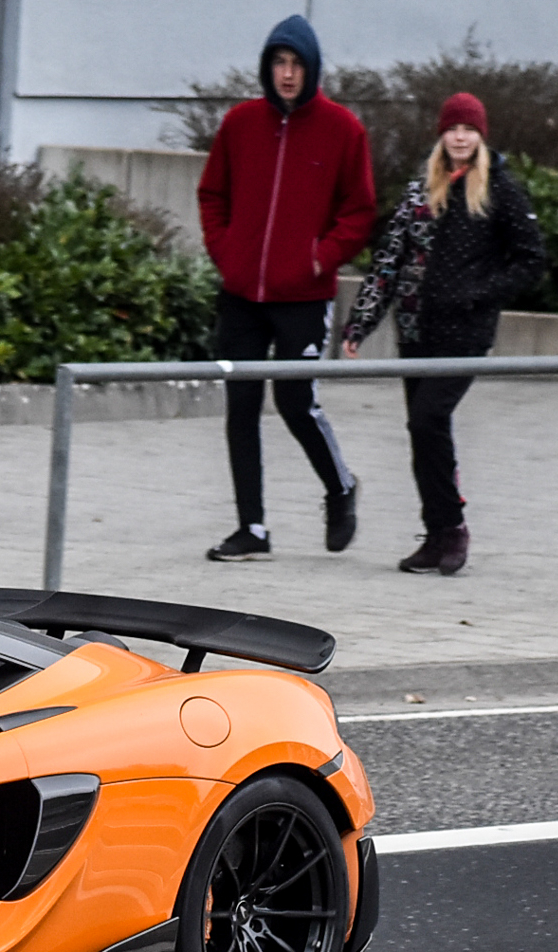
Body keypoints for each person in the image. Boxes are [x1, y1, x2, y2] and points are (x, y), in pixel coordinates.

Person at [341, 92, 546, 576]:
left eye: (469, 129)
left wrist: (478, 292)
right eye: (453, 128)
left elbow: (531, 259)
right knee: (423, 432)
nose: (460, 137)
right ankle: (435, 535)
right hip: (416, 333)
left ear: (480, 136)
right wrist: (359, 325)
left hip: (465, 333)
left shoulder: (500, 191)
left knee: (428, 421)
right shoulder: (420, 193)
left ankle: (453, 527)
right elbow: (387, 264)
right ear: (442, 134)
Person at [195, 15, 377, 562]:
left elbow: (360, 211)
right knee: (241, 406)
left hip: (304, 297)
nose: (288, 74)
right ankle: (252, 527)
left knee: (297, 402)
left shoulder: (343, 129)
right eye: (279, 63)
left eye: (297, 64)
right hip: (242, 295)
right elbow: (212, 196)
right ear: (267, 67)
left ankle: (340, 488)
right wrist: (227, 253)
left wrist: (318, 259)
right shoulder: (240, 124)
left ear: (312, 68)